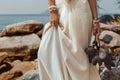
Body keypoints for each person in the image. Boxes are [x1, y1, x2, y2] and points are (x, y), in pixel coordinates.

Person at [38, 0, 101, 80]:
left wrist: (96, 21)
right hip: (61, 9)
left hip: (82, 11)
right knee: (45, 50)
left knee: (80, 54)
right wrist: (52, 10)